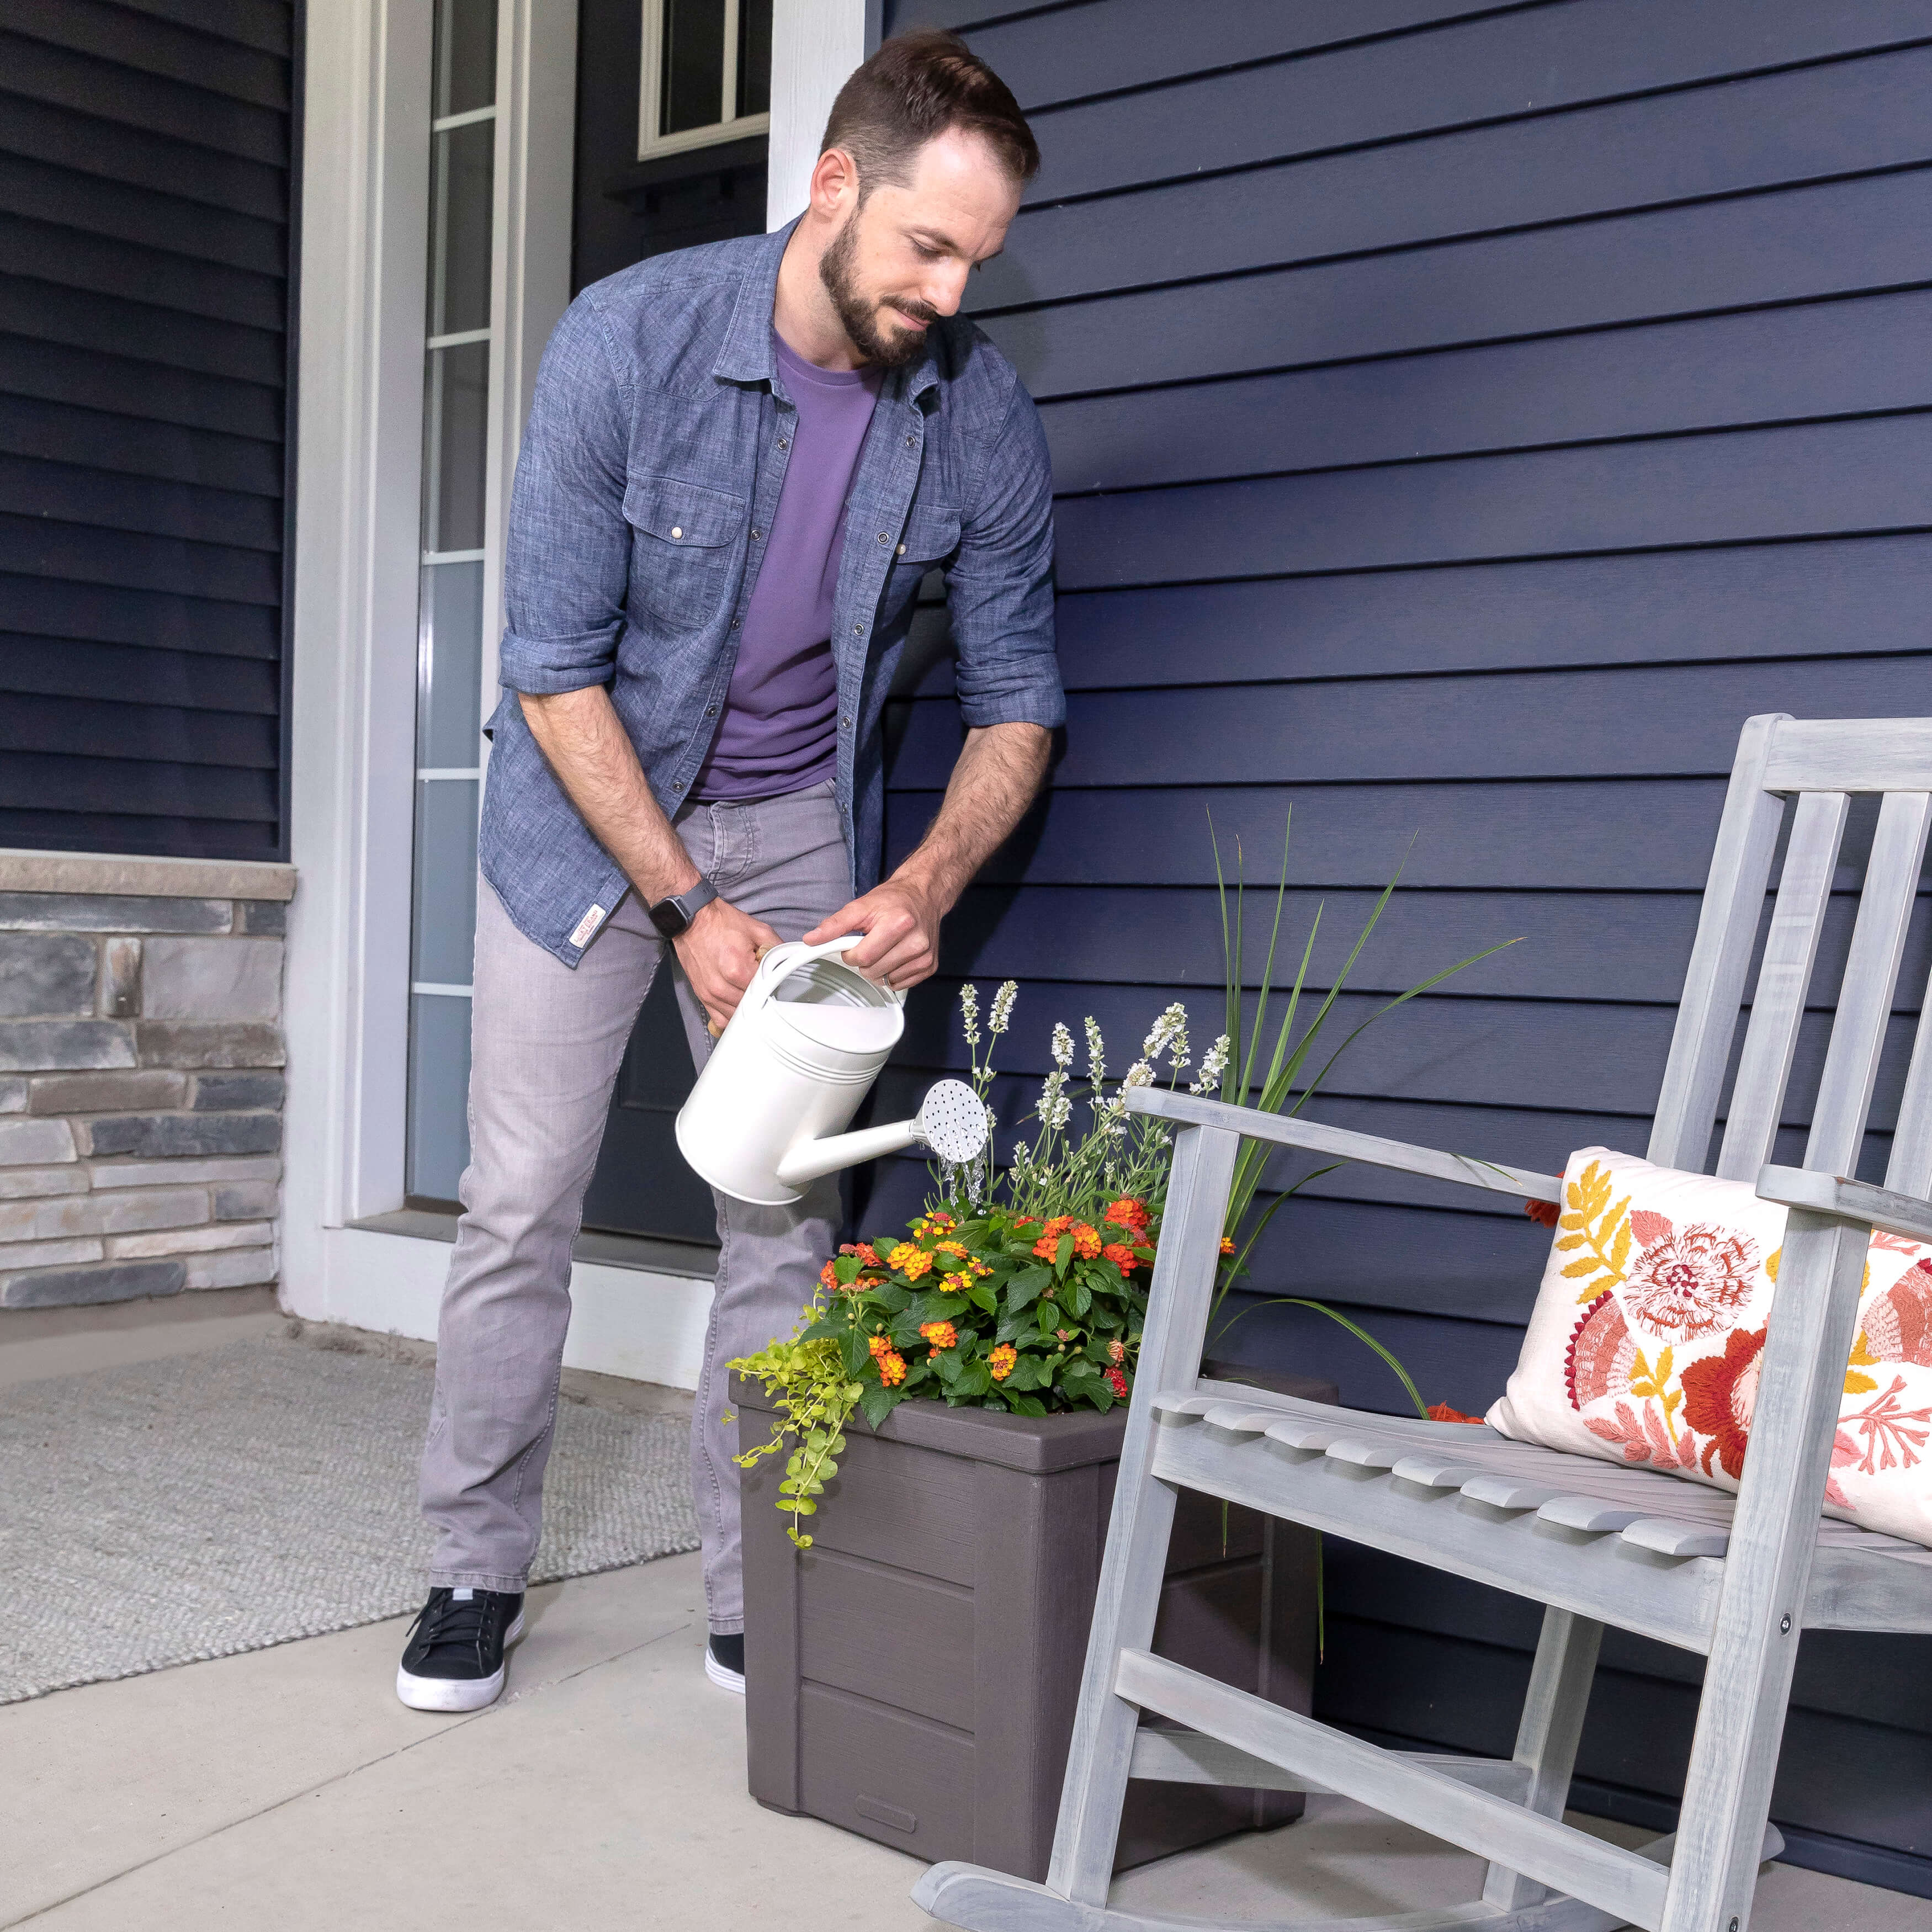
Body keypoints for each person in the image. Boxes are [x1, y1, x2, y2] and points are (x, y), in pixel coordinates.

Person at [396, 31, 1060, 1712]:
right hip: (587, 806)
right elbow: (551, 666)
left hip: (795, 821)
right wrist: (682, 904)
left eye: (977, 259)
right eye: (926, 244)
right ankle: (469, 1567)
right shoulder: (630, 337)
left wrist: (920, 884)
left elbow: (1016, 699)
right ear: (833, 184)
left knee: (778, 1215)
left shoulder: (970, 405)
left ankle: (753, 1581)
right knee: (521, 1197)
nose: (946, 287)